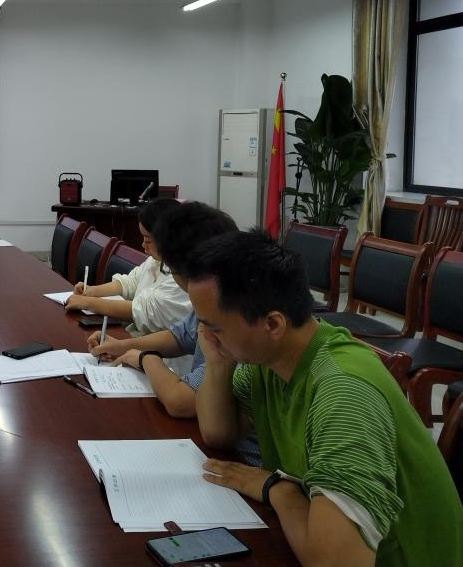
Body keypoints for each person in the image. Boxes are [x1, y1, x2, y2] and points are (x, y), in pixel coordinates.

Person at [188, 230, 463, 567]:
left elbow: (335, 564)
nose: (206, 337)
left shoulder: (344, 392)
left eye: (214, 328)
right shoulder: (273, 359)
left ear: (272, 324)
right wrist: (218, 363)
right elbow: (218, 432)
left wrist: (278, 489)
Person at [86, 202, 238, 419]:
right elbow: (180, 336)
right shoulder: (215, 295)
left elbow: (181, 403)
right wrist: (122, 346)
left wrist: (146, 359)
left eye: (171, 269)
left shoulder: (230, 319)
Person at [65, 198, 189, 333]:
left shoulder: (183, 276)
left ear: (167, 238)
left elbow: (143, 312)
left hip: (151, 342)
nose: (143, 245)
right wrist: (91, 291)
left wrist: (87, 303)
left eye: (148, 240)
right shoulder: (156, 260)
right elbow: (131, 282)